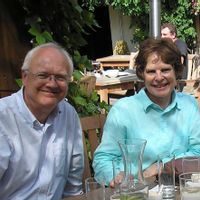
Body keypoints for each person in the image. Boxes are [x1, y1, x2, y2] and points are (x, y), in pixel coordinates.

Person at [93, 38, 200, 186]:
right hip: (136, 189)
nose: (159, 77)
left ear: (176, 71)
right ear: (142, 74)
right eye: (151, 71)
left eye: (165, 69)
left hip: (179, 189)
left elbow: (197, 152)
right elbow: (103, 159)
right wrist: (116, 177)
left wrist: (161, 167)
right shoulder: (123, 110)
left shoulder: (189, 104)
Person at [0, 43, 84, 199]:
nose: (51, 83)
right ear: (25, 77)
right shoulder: (3, 119)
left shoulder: (68, 114)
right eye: (43, 75)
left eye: (60, 77)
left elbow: (73, 188)